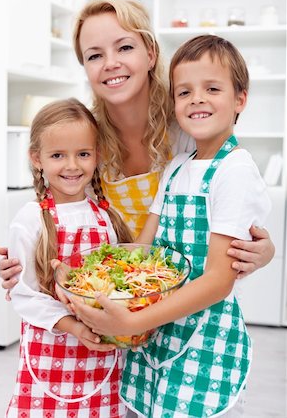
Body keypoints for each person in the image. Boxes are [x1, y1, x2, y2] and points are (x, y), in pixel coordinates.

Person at [0, 0, 274, 293]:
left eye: (125, 47)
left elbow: (232, 204)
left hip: (182, 297)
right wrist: (26, 257)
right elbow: (60, 219)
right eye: (94, 56)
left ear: (151, 54)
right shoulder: (83, 140)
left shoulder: (189, 125)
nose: (111, 63)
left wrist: (264, 250)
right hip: (115, 296)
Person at [66, 35, 272, 417]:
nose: (197, 99)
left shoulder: (236, 171)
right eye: (184, 92)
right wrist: (97, 284)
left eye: (212, 88)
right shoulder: (177, 166)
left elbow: (217, 281)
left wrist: (133, 319)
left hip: (207, 340)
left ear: (240, 99)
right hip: (160, 332)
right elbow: (144, 249)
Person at [5, 98, 132, 417]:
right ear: (37, 158)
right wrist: (74, 327)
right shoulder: (30, 219)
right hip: (49, 355)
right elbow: (24, 295)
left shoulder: (107, 217)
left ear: (97, 155)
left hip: (102, 358)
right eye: (58, 155)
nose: (72, 166)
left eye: (83, 154)